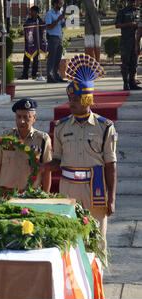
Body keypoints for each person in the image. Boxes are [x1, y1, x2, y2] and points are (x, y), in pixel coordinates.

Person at [44, 54, 116, 264]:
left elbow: (111, 165)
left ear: (87, 99)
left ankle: (96, 283)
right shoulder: (61, 127)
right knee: (70, 237)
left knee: (96, 238)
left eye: (76, 99)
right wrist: (41, 167)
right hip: (68, 186)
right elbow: (57, 160)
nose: (71, 103)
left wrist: (111, 198)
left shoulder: (105, 127)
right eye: (70, 99)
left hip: (95, 187)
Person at [0, 98, 52, 202]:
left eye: (26, 117)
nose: (22, 121)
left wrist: (45, 197)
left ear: (34, 117)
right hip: (6, 195)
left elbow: (47, 171)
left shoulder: (42, 140)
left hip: (31, 196)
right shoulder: (5, 138)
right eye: (18, 117)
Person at [115, 0, 141, 90]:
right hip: (126, 41)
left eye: (134, 1)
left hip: (136, 41)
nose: (133, 3)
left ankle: (132, 82)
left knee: (134, 63)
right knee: (125, 62)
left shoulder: (138, 11)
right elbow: (117, 25)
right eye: (131, 1)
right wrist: (128, 24)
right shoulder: (122, 11)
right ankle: (125, 83)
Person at [19, 6, 44, 80]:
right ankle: (25, 75)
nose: (31, 13)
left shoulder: (40, 21)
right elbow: (25, 27)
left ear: (37, 12)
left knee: (36, 60)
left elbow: (42, 30)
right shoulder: (28, 20)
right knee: (26, 59)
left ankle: (34, 74)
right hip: (29, 43)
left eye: (32, 11)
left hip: (37, 43)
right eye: (30, 11)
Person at [45, 0, 66, 83]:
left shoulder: (59, 14)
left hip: (60, 37)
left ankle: (57, 76)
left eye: (62, 4)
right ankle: (49, 76)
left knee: (58, 58)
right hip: (52, 37)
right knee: (52, 57)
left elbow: (62, 25)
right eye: (60, 4)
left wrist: (64, 19)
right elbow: (49, 27)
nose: (61, 5)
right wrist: (58, 20)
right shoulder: (49, 14)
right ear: (55, 4)